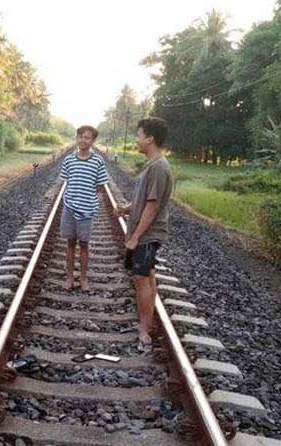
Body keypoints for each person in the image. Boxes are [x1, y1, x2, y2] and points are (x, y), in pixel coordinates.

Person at [114, 117, 173, 352]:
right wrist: (126, 208)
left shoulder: (159, 167)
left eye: (139, 135)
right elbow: (143, 200)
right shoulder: (153, 165)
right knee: (147, 275)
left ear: (150, 138)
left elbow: (152, 205)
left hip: (148, 235)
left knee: (140, 279)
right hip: (147, 233)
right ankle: (147, 322)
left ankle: (144, 329)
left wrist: (136, 236)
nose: (137, 140)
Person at [59, 125, 108, 291]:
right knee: (70, 244)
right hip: (69, 207)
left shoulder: (98, 161)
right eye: (80, 136)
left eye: (87, 137)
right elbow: (66, 181)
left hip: (87, 210)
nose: (83, 140)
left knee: (84, 245)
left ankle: (84, 279)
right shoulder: (69, 160)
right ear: (76, 138)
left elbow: (100, 186)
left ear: (93, 141)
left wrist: (86, 197)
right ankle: (70, 278)